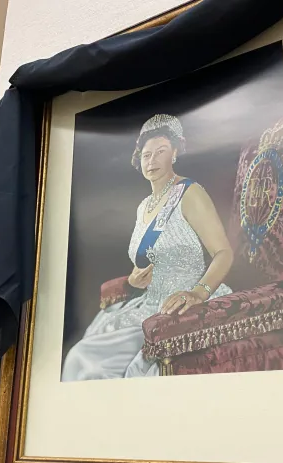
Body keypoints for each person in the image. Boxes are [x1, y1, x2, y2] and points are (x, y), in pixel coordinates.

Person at [62, 114, 234, 381]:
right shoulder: (144, 206)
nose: (151, 160)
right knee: (82, 352)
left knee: (92, 365)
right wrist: (134, 279)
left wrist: (198, 293)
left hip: (183, 305)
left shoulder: (190, 193)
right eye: (146, 155)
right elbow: (147, 259)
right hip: (148, 304)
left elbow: (224, 253)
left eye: (160, 152)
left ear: (175, 153)